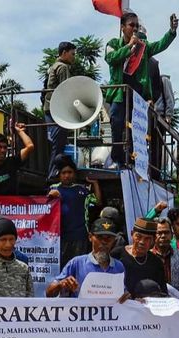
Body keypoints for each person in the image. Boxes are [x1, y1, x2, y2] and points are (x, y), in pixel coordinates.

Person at [104, 11, 177, 165]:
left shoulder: (142, 47)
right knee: (117, 124)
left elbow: (159, 45)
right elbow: (111, 58)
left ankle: (133, 159)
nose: (135, 29)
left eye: (137, 26)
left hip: (138, 96)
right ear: (122, 27)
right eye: (131, 25)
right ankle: (117, 156)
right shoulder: (113, 44)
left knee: (136, 128)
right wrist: (129, 46)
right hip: (119, 94)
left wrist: (171, 32)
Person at [48, 217, 125, 297]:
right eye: (99, 237)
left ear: (114, 240)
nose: (104, 242)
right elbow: (49, 293)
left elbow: (122, 294)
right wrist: (61, 284)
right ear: (90, 237)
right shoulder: (77, 263)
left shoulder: (119, 267)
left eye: (109, 238)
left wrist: (126, 298)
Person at [47, 159, 102, 266]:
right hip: (59, 237)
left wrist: (95, 184)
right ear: (59, 175)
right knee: (62, 267)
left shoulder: (82, 190)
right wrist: (50, 196)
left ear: (74, 174)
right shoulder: (53, 188)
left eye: (69, 172)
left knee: (78, 267)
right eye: (64, 173)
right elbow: (44, 208)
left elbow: (98, 202)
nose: (67, 175)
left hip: (79, 236)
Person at [43, 41, 75, 178]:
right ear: (64, 53)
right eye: (72, 54)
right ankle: (53, 173)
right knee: (58, 143)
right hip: (56, 109)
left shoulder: (52, 67)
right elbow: (65, 90)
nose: (74, 57)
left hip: (48, 107)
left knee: (55, 142)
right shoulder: (62, 68)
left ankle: (53, 171)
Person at [112, 216, 167, 294]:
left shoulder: (156, 263)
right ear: (132, 234)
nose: (142, 242)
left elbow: (162, 292)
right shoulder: (117, 255)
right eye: (138, 236)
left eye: (147, 239)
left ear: (153, 240)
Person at [152, 217, 179, 295]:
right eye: (159, 233)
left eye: (166, 232)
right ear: (153, 235)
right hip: (153, 304)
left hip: (178, 303)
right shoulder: (146, 257)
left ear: (172, 235)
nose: (163, 236)